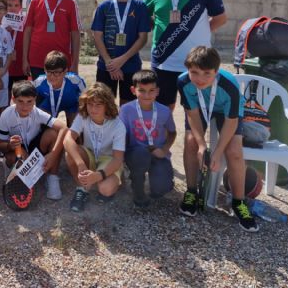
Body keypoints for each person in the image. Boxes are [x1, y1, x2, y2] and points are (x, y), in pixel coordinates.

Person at [177, 46, 259, 232]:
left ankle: (239, 202)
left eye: (207, 73)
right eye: (194, 72)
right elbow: (192, 114)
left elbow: (231, 122)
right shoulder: (183, 82)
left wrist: (218, 151)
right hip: (199, 109)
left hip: (226, 113)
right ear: (188, 70)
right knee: (190, 141)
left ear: (217, 71)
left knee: (234, 152)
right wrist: (201, 145)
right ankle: (191, 192)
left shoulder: (229, 86)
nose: (200, 79)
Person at [144, 0, 227, 110]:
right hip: (163, 62)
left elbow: (220, 18)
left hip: (197, 64)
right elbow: (145, 18)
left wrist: (198, 32)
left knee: (196, 111)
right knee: (162, 112)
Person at [0, 80, 68, 200]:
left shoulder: (37, 112)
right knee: (10, 158)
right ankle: (18, 173)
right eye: (20, 101)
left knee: (53, 134)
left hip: (34, 146)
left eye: (29, 102)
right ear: (13, 99)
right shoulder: (6, 115)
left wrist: (53, 154)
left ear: (35, 99)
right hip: (18, 149)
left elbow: (63, 128)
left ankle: (52, 178)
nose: (25, 106)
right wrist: (10, 145)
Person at [92, 0, 150, 105]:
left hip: (131, 65)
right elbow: (97, 36)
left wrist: (121, 60)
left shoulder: (140, 7)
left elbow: (142, 38)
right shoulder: (104, 7)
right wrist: (110, 63)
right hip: (106, 66)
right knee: (104, 106)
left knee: (128, 107)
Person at [63, 83, 126, 212]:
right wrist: (80, 164)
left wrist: (98, 176)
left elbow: (117, 159)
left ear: (107, 105)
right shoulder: (83, 116)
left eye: (98, 105)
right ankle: (82, 188)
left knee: (105, 190)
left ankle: (112, 179)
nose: (93, 109)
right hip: (90, 155)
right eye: (90, 104)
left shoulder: (118, 125)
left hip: (108, 160)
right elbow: (67, 139)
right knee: (70, 153)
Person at [120, 69, 176, 207]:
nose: (147, 95)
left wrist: (164, 149)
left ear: (157, 91)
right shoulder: (126, 109)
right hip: (136, 152)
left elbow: (172, 132)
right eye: (142, 90)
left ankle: (159, 177)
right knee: (140, 157)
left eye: (151, 90)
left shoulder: (164, 110)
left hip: (158, 153)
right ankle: (138, 190)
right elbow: (122, 134)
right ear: (133, 90)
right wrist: (121, 157)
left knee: (161, 189)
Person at [22, 0, 81, 79]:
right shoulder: (34, 2)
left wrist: (75, 63)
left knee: (59, 97)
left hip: (61, 61)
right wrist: (24, 59)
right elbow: (27, 31)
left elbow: (75, 34)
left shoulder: (70, 3)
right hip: (37, 60)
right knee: (39, 97)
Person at [34, 51, 85, 127]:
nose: (52, 76)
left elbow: (86, 97)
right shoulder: (39, 81)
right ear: (44, 69)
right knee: (41, 122)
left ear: (65, 71)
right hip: (49, 105)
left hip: (71, 105)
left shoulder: (75, 80)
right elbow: (26, 95)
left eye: (57, 72)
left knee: (77, 125)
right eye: (49, 72)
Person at [2, 0, 27, 97]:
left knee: (21, 97)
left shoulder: (25, 22)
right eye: (9, 5)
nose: (13, 8)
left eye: (16, 5)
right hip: (4, 68)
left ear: (21, 7)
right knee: (4, 98)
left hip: (20, 67)